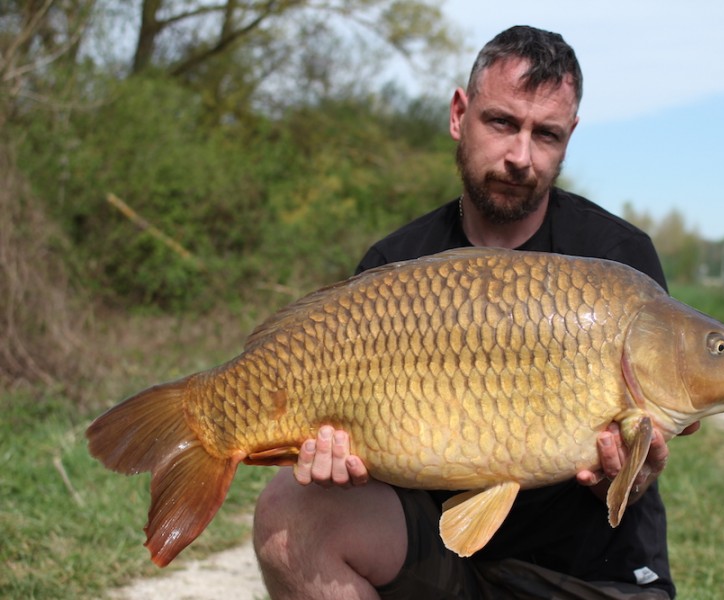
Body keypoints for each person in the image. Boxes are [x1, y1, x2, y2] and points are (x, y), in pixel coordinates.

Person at [253, 25, 697, 599]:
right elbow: (371, 463)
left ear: (570, 138)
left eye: (547, 135)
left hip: (591, 572)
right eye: (502, 123)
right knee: (293, 512)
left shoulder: (616, 263)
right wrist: (340, 459)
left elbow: (634, 477)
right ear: (460, 114)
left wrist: (633, 474)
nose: (520, 156)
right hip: (439, 558)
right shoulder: (396, 263)